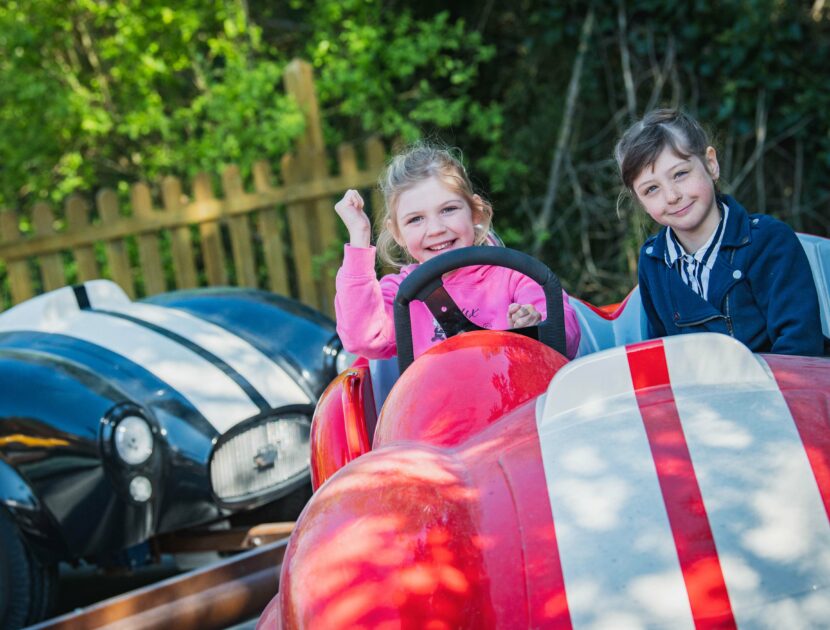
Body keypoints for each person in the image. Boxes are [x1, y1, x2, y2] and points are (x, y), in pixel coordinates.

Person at [333, 142, 581, 360]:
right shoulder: (401, 296)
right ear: (397, 233)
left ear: (474, 211)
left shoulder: (514, 276)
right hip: (441, 411)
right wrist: (359, 237)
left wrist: (533, 325)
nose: (436, 229)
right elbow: (361, 337)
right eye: (416, 219)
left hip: (514, 403)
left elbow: (565, 336)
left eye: (448, 210)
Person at [615, 108, 823, 356]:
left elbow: (800, 347)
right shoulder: (653, 261)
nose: (672, 196)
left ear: (711, 164)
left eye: (680, 174)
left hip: (781, 389)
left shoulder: (769, 240)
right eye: (651, 189)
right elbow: (664, 355)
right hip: (700, 394)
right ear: (641, 203)